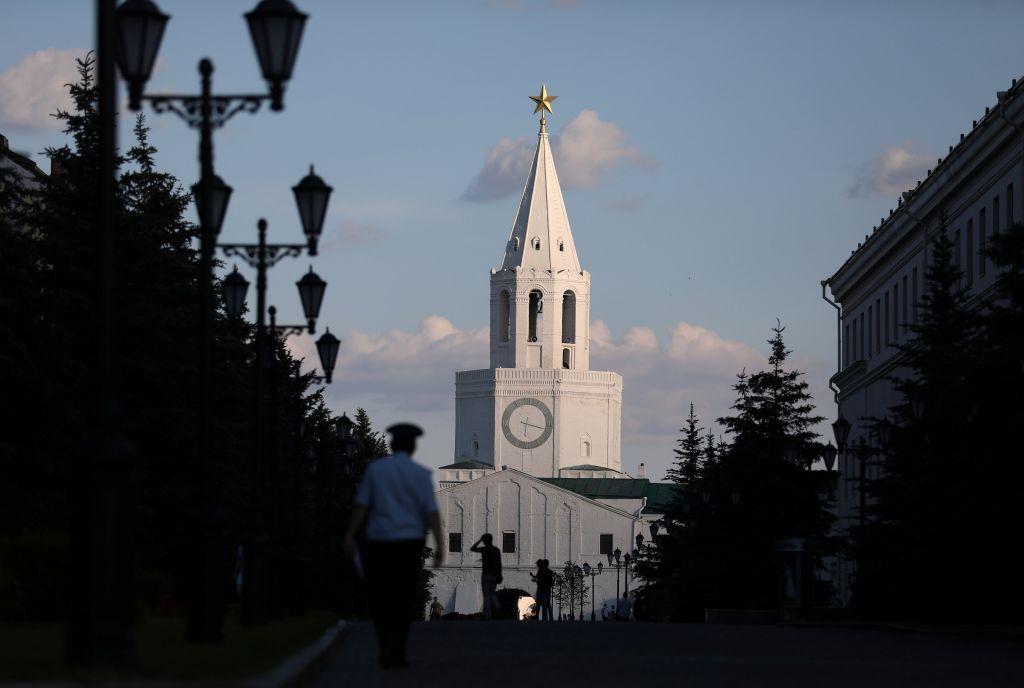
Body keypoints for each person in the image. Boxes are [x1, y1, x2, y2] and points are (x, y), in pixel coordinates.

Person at [343, 423, 444, 669]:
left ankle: (383, 647)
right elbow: (431, 513)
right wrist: (441, 544)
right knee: (404, 596)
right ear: (413, 447)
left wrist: (348, 536)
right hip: (410, 544)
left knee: (380, 595)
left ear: (391, 444)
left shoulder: (375, 470)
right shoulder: (421, 474)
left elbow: (361, 505)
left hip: (380, 542)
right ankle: (398, 650)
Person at [470, 533, 501, 619]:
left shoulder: (484, 549)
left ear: (484, 541)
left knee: (486, 595)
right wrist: (499, 574)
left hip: (486, 575)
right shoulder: (496, 550)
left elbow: (472, 548)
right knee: (492, 593)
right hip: (494, 575)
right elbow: (498, 563)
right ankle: (498, 606)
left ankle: (488, 615)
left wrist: (480, 540)